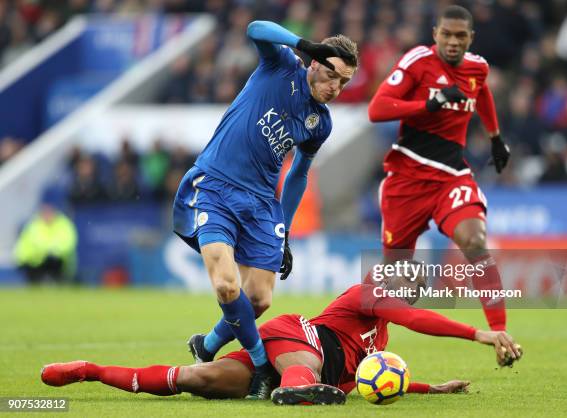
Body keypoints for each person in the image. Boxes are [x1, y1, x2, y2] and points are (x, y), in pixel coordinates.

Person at [172, 20, 358, 398]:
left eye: (344, 82)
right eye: (331, 75)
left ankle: (206, 345)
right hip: (217, 186)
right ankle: (259, 364)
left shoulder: (319, 123)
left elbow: (299, 176)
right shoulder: (280, 66)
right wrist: (304, 43)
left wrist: (285, 231)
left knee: (259, 299)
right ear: (314, 63)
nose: (335, 88)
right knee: (226, 285)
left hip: (261, 206)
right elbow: (256, 28)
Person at [41, 272, 522, 405]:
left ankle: (89, 371)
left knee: (197, 379)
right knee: (309, 370)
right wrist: (482, 332)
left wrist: (427, 387)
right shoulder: (365, 295)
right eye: (404, 287)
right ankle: (293, 391)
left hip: (298, 369)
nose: (406, 296)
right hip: (298, 337)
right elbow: (420, 321)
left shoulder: (378, 345)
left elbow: (364, 385)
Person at [368, 5, 511, 331]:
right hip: (406, 179)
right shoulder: (418, 61)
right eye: (446, 34)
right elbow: (377, 109)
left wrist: (495, 138)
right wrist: (428, 105)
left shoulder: (478, 68)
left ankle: (500, 334)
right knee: (396, 280)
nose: (453, 41)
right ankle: (368, 343)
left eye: (461, 35)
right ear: (435, 34)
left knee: (474, 241)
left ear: (470, 38)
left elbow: (483, 93)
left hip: (450, 177)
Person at [14, 190, 78, 284]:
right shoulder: (34, 224)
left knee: (54, 261)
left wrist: (52, 251)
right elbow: (26, 245)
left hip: (57, 262)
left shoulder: (64, 224)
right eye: (45, 209)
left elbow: (67, 243)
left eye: (49, 209)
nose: (47, 213)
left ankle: (52, 281)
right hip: (35, 262)